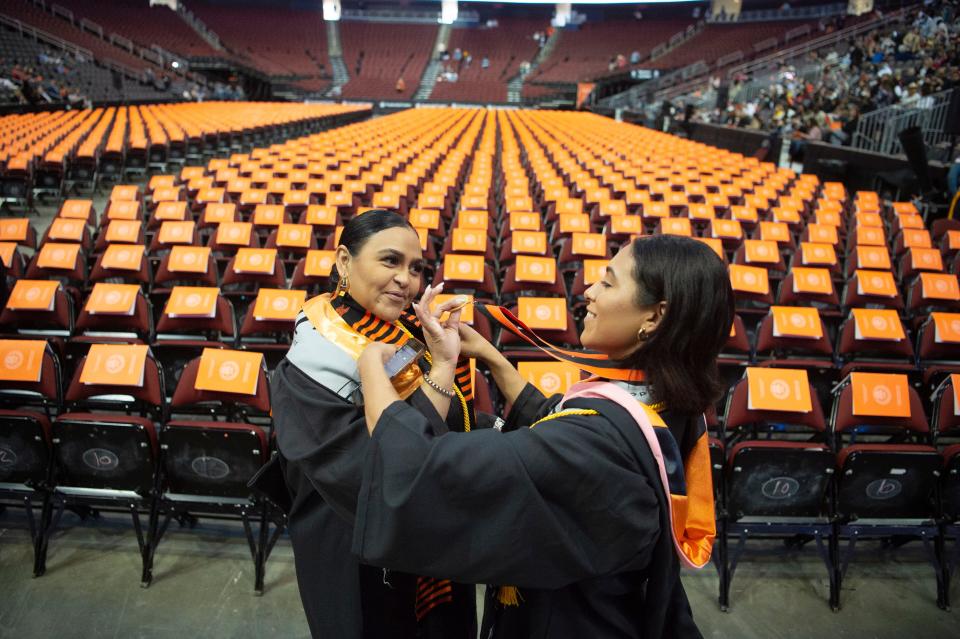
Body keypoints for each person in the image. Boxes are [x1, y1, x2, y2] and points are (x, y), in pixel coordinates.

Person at [352, 235, 734, 638]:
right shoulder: (671, 400)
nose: (588, 292)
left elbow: (418, 469)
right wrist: (492, 357)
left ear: (655, 317)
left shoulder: (596, 444)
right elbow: (557, 418)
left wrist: (371, 367)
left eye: (607, 283)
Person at [270, 211, 476, 639]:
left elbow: (441, 422)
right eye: (390, 261)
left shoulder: (401, 337)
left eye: (415, 268)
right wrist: (441, 368)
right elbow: (385, 468)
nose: (406, 279)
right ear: (344, 261)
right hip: (357, 559)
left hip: (422, 547)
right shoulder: (310, 365)